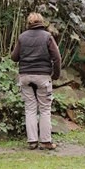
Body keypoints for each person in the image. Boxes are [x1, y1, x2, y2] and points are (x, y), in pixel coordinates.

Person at [11, 12, 62, 150]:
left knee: (30, 109)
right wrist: (55, 75)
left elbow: (14, 57)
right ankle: (45, 142)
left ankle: (32, 141)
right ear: (42, 22)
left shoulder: (22, 37)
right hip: (43, 77)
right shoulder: (47, 37)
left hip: (25, 76)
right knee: (45, 109)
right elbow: (57, 58)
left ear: (29, 23)